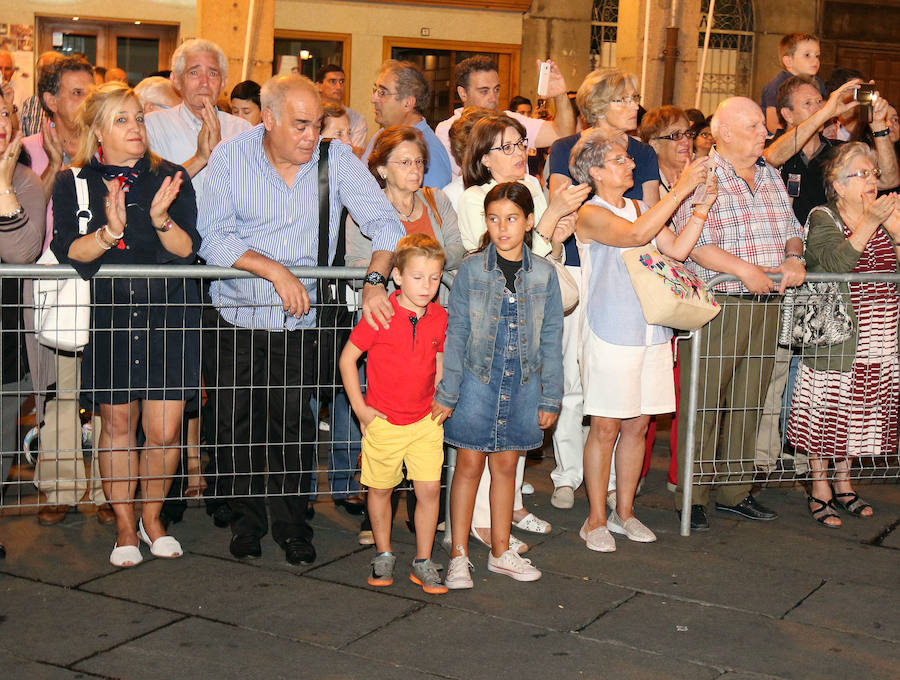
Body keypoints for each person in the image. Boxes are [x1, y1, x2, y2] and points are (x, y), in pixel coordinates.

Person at [197, 74, 404, 565]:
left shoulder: (337, 160)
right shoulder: (230, 157)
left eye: (316, 124)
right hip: (237, 315)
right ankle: (246, 523)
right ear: (268, 120)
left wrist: (375, 279)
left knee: (292, 428)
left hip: (302, 324)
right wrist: (274, 272)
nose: (312, 135)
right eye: (301, 125)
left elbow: (385, 223)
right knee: (235, 425)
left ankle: (293, 525)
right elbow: (212, 236)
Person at [50, 83, 202, 567]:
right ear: (97, 128)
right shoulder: (74, 179)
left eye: (138, 117)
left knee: (164, 429)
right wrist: (109, 232)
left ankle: (152, 518)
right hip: (113, 317)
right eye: (122, 119)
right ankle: (122, 523)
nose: (136, 127)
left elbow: (187, 249)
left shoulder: (171, 177)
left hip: (170, 316)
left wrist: (160, 218)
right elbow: (70, 250)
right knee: (116, 424)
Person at [571, 132, 717, 551]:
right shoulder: (590, 214)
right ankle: (595, 518)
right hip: (610, 331)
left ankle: (626, 511)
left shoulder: (640, 207)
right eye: (619, 160)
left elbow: (677, 250)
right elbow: (636, 236)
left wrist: (700, 209)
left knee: (638, 426)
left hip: (651, 331)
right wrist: (682, 189)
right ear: (595, 171)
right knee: (605, 428)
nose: (631, 165)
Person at [672, 97, 806, 532]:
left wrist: (793, 258)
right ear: (724, 132)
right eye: (752, 126)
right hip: (720, 303)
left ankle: (734, 491)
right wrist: (744, 269)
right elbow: (694, 242)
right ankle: (693, 494)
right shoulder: (701, 175)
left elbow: (791, 230)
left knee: (751, 400)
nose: (763, 133)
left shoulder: (769, 174)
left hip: (767, 304)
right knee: (704, 402)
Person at [456, 112, 586, 548]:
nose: (519, 154)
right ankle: (479, 522)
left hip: (530, 314)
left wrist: (558, 226)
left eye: (521, 144)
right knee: (480, 431)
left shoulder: (531, 188)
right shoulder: (476, 199)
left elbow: (543, 251)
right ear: (484, 158)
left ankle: (508, 511)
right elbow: (502, 250)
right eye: (506, 147)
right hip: (491, 326)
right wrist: (550, 223)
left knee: (513, 427)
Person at [435, 182, 564, 588]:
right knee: (469, 465)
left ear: (528, 222)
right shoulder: (471, 270)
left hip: (525, 384)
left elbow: (551, 339)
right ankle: (458, 552)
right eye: (494, 219)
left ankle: (500, 551)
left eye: (511, 219)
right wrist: (448, 393)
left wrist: (550, 397)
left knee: (507, 465)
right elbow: (456, 335)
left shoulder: (544, 274)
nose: (502, 227)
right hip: (476, 382)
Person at [545, 68, 660, 512]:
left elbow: (648, 213)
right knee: (574, 380)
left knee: (620, 391)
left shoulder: (643, 152)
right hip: (577, 263)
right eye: (624, 99)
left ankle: (613, 483)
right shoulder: (563, 148)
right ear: (596, 108)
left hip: (624, 269)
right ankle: (567, 473)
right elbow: (561, 210)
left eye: (635, 97)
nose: (635, 105)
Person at [786, 143, 899, 527]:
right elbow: (834, 263)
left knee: (857, 412)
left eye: (873, 174)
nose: (872, 181)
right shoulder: (824, 217)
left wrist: (896, 233)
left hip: (878, 336)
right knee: (827, 410)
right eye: (862, 174)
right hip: (838, 334)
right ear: (837, 183)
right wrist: (870, 224)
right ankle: (819, 487)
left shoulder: (886, 216)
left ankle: (845, 481)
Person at [340, 233, 449, 594]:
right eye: (418, 277)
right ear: (398, 277)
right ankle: (384, 552)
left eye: (434, 278)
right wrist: (361, 409)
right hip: (383, 422)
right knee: (381, 489)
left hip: (425, 422)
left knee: (430, 489)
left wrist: (441, 395)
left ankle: (423, 559)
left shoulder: (439, 316)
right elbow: (347, 359)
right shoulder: (380, 314)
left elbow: (439, 356)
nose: (427, 286)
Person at [0, 104, 45, 504]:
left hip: (6, 338)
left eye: (2, 114)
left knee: (0, 438)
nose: (0, 124)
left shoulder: (24, 181)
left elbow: (21, 252)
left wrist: (2, 185)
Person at [144, 38, 251, 205]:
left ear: (223, 83)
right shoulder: (154, 126)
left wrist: (219, 153)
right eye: (194, 73)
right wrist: (200, 159)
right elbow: (150, 191)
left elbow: (252, 194)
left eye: (213, 73)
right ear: (176, 80)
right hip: (172, 229)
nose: (204, 82)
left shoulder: (242, 130)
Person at [435, 56, 574, 179]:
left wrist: (560, 95)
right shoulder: (448, 129)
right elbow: (474, 175)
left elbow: (561, 133)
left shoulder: (510, 120)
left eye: (496, 89)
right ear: (462, 93)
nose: (493, 98)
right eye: (484, 91)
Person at [364, 60, 451, 189]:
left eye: (382, 93)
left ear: (407, 103)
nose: (373, 99)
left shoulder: (430, 153)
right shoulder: (381, 135)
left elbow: (429, 206)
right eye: (375, 91)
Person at [23, 55, 94, 200]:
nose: (89, 101)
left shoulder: (105, 147)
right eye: (77, 93)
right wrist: (53, 167)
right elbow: (27, 214)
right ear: (52, 102)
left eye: (92, 93)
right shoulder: (25, 151)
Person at [761, 33, 826, 133]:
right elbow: (773, 125)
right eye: (807, 55)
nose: (815, 60)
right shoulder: (777, 86)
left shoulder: (817, 83)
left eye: (817, 56)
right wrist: (797, 138)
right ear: (788, 61)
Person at [640, 106, 696, 200]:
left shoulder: (703, 176)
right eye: (676, 135)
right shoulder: (645, 186)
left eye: (688, 133)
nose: (686, 141)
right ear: (654, 144)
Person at [315, 64, 367, 148]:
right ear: (319, 86)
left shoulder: (357, 119)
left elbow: (355, 156)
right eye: (333, 81)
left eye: (341, 82)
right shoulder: (312, 115)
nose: (339, 87)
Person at [17, 52, 64, 137]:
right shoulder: (30, 103)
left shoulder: (69, 102)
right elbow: (23, 140)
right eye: (41, 70)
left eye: (50, 69)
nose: (44, 74)